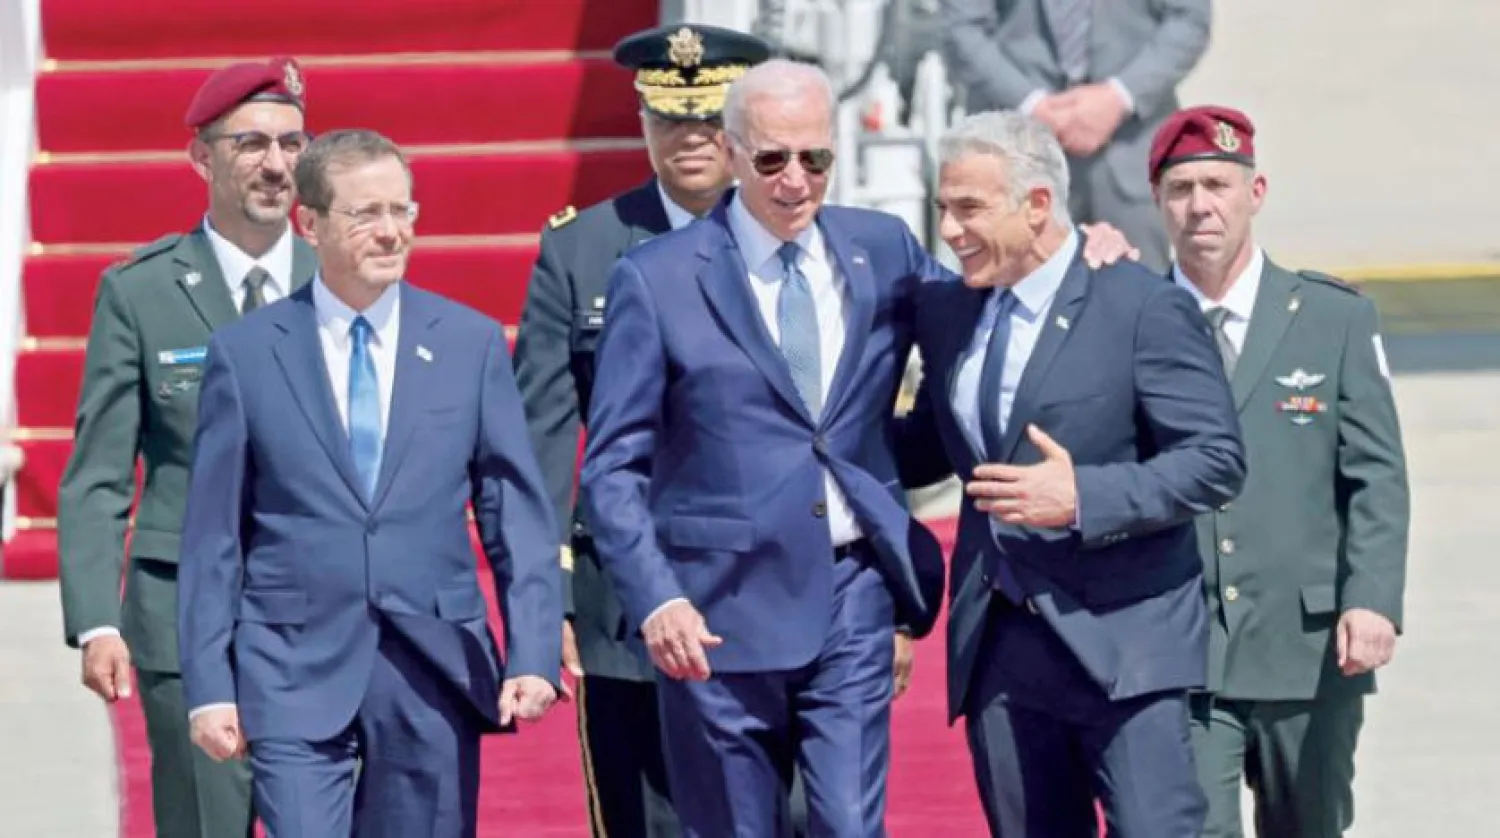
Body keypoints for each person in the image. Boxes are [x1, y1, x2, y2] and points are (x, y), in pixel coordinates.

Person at [176, 128, 564, 837]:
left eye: (402, 210)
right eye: (365, 214)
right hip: (290, 661)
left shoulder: (468, 343)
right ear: (310, 224)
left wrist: (533, 651)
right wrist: (208, 686)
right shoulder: (248, 353)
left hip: (432, 664)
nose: (391, 231)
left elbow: (514, 513)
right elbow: (213, 537)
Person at [513, 23, 834, 838]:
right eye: (667, 118)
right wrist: (546, 595)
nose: (689, 138)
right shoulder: (582, 249)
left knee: (792, 814)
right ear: (642, 121)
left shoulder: (807, 239)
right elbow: (541, 436)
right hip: (629, 594)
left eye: (709, 120)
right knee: (644, 817)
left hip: (774, 583)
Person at [897, 110, 1245, 837]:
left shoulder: (1142, 306)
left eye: (970, 208)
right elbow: (926, 448)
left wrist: (1083, 495)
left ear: (1036, 205)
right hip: (1001, 645)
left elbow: (1214, 460)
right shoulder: (948, 311)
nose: (950, 230)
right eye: (943, 208)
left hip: (1126, 641)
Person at [56, 56, 316, 838]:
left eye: (292, 144)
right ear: (202, 157)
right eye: (250, 144)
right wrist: (97, 621)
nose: (275, 164)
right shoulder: (141, 291)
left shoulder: (341, 279)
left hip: (321, 611)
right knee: (204, 822)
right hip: (183, 614)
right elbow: (100, 472)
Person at [1149, 105, 1410, 838]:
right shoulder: (1133, 317)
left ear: (1255, 192)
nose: (1200, 206)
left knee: (1310, 824)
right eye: (1181, 189)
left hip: (1308, 646)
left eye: (1218, 185)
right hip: (1183, 649)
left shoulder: (1333, 319)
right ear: (1158, 201)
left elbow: (1377, 476)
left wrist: (1373, 600)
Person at [939, 0, 1211, 271]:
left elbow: (1189, 20)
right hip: (1015, 154)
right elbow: (962, 27)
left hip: (1131, 149)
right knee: (1012, 290)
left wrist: (1119, 97)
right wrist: (1032, 107)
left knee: (1140, 288)